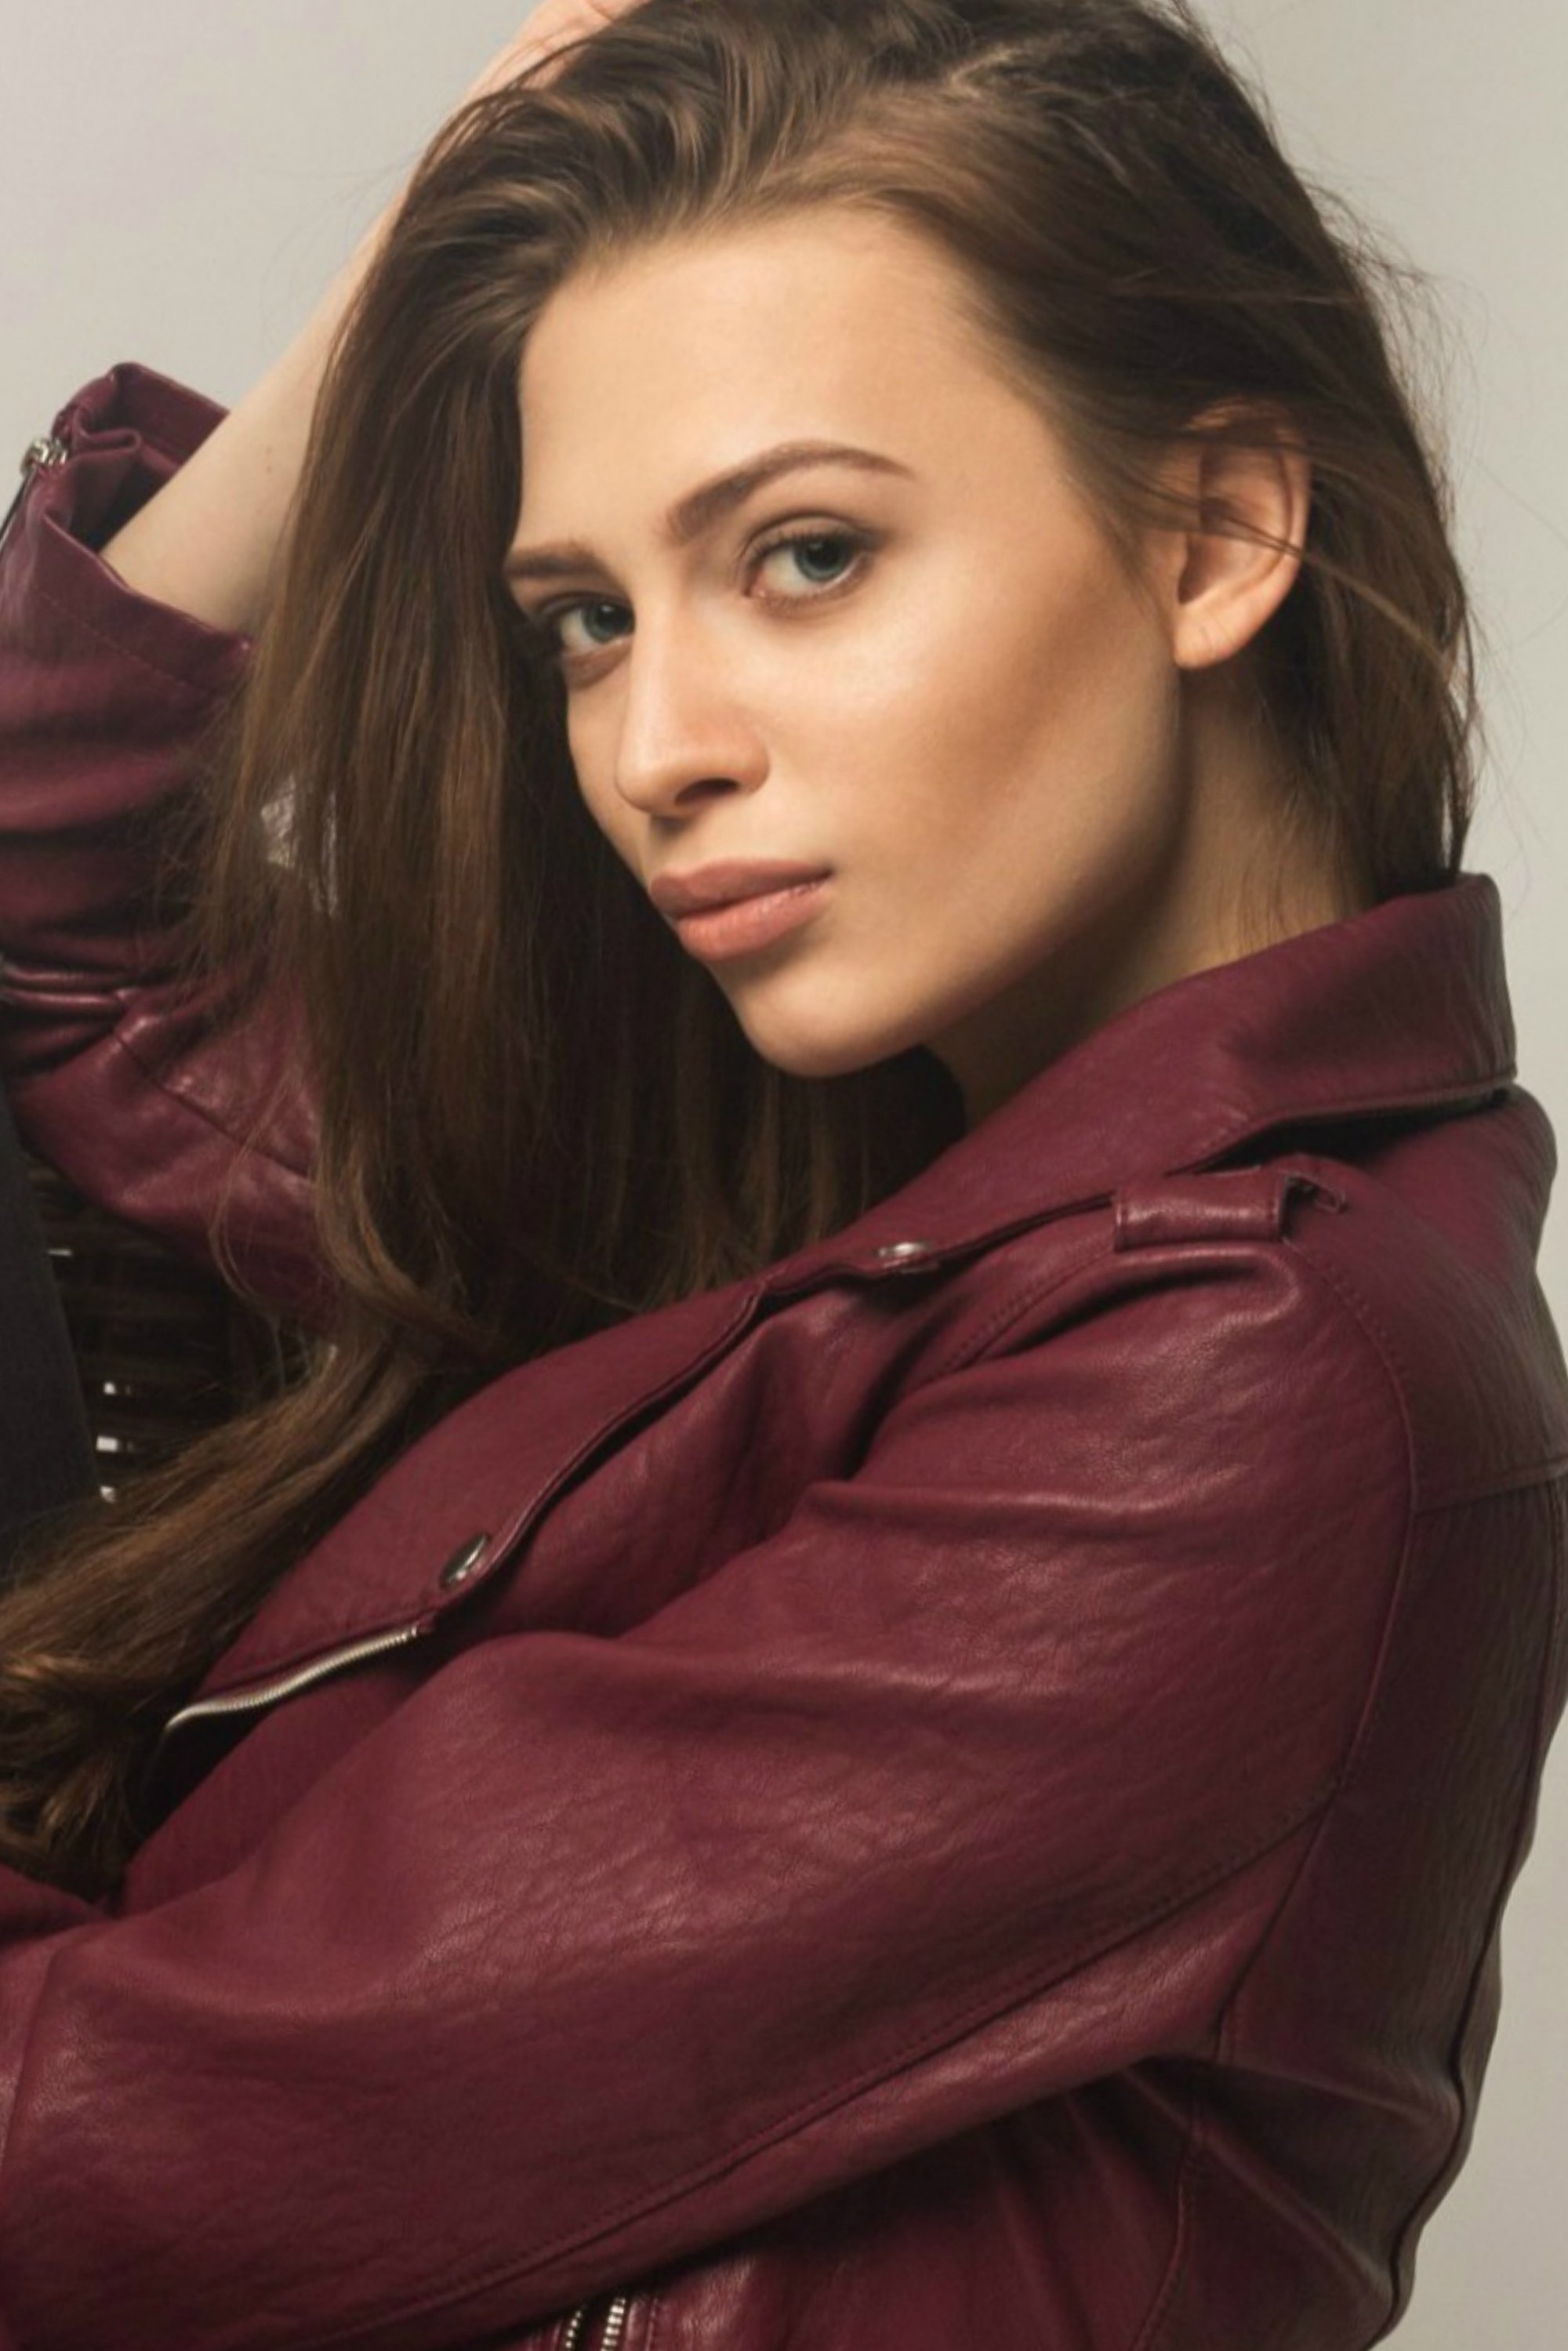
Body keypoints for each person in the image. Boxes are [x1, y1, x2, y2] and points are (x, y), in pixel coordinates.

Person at [0, 0, 1563, 2343]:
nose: (655, 744)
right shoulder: (850, 1185)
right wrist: (448, 228)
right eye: (587, 619)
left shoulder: (1256, 1364)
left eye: (808, 556)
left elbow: (103, 2161)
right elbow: (61, 910)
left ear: (1220, 532)